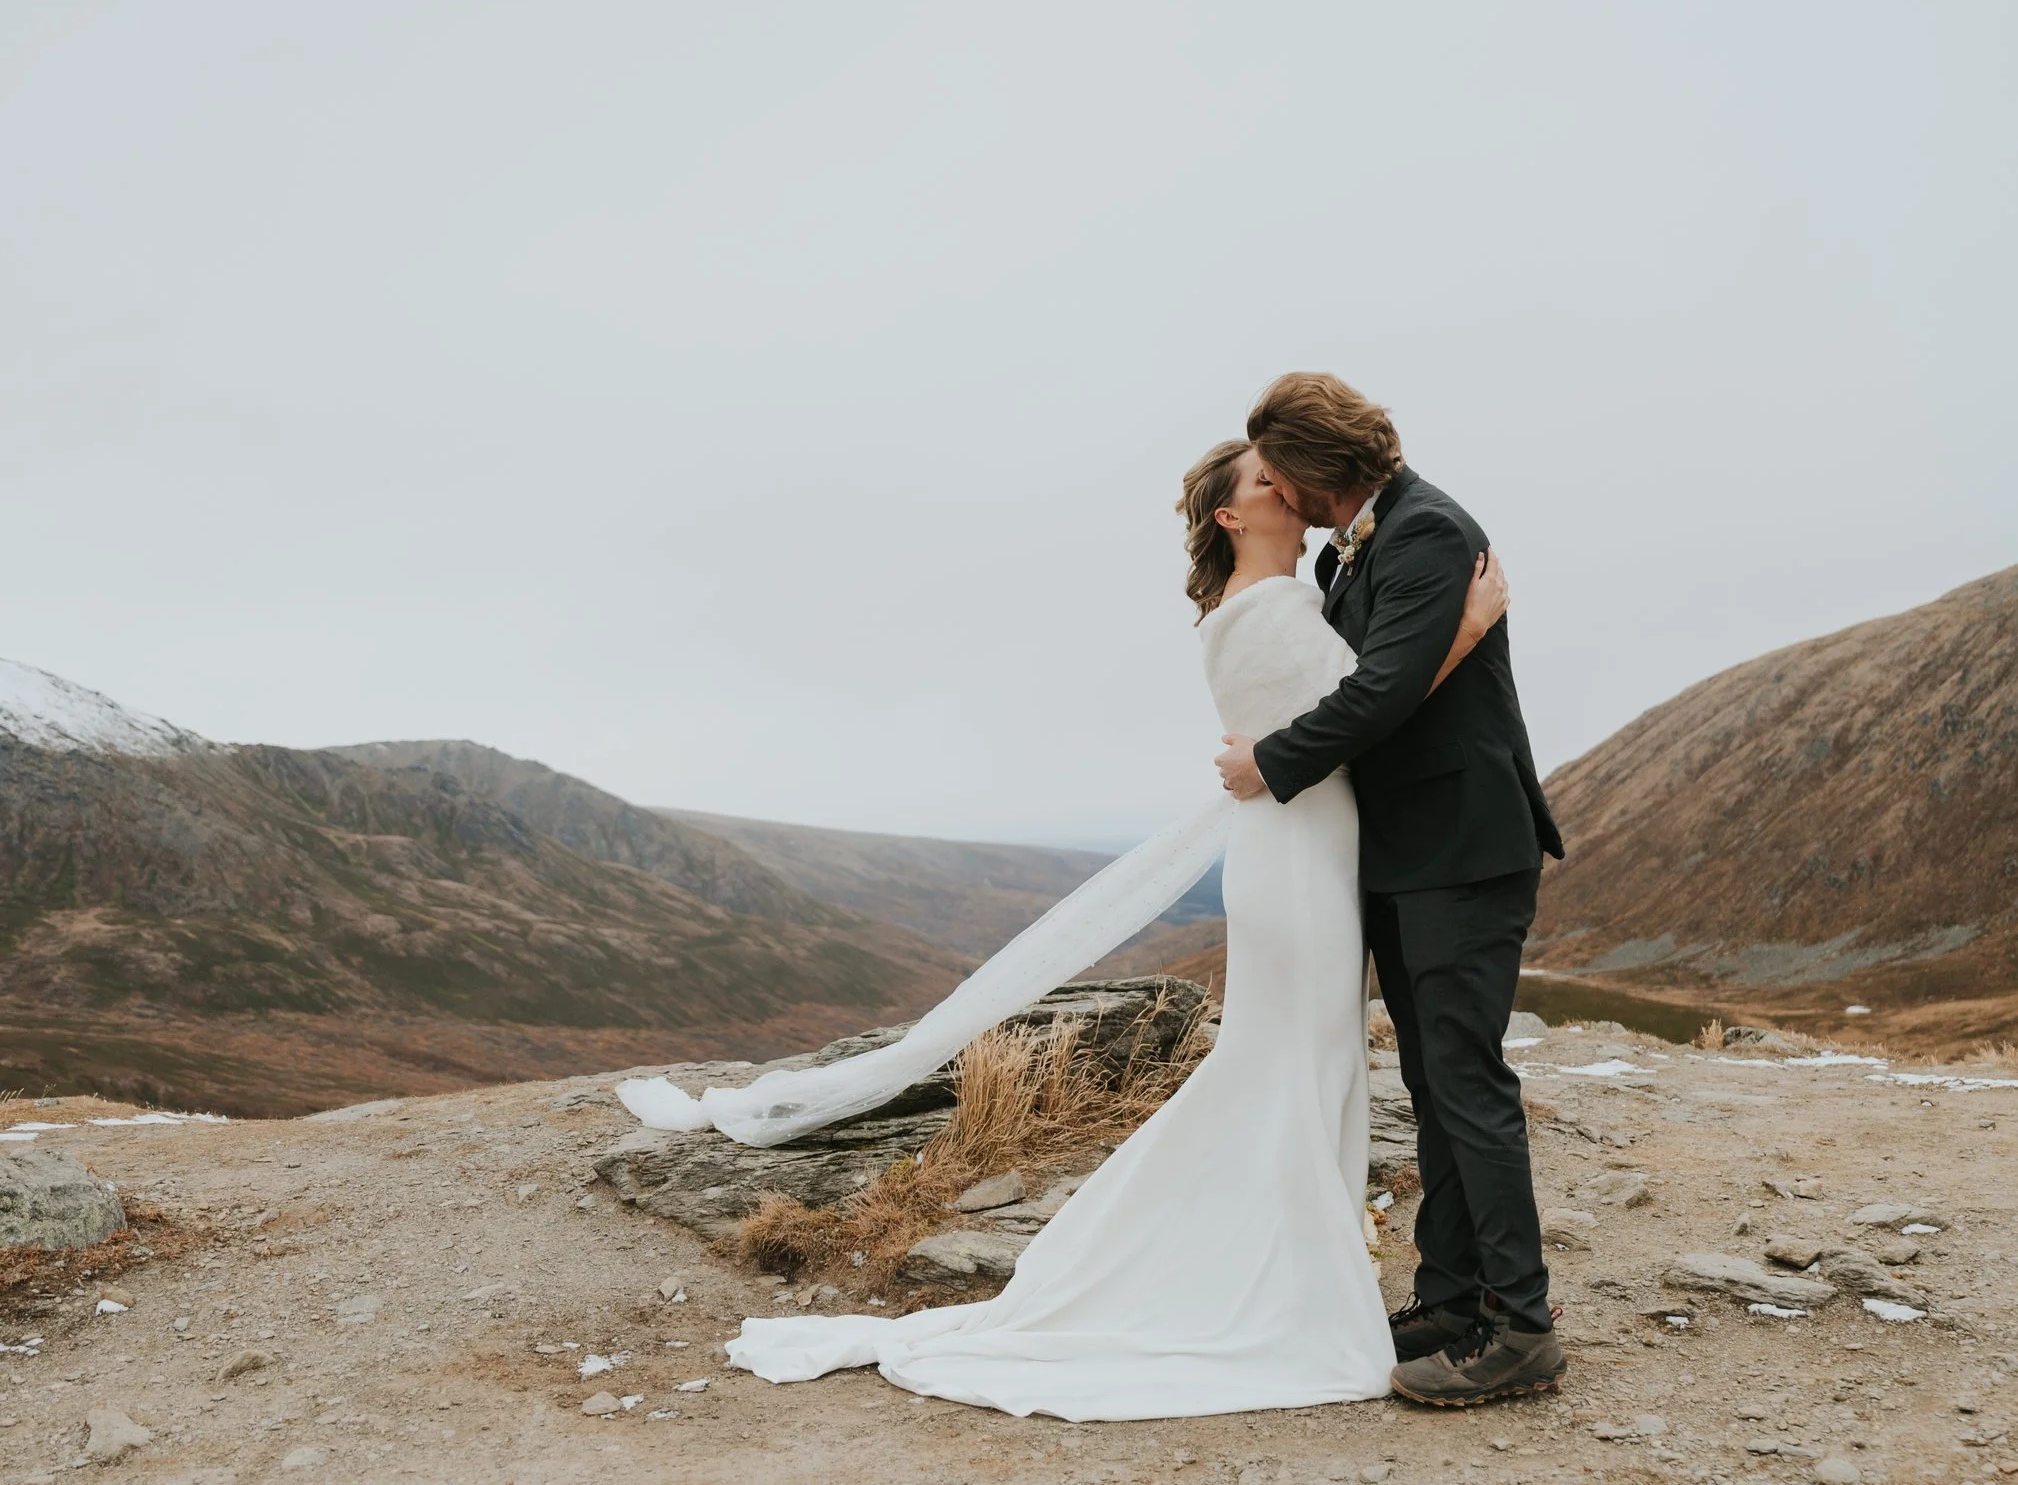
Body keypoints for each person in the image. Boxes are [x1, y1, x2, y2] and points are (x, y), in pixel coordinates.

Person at [628, 429, 1510, 1419]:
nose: (1291, 486)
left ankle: (1285, 1277)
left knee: (1292, 1071)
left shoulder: (1284, 599)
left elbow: (1354, 703)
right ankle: (1268, 1291)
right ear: (1231, 514)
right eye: (1268, 480)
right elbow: (1374, 706)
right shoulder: (1263, 610)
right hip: (1300, 870)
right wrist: (1467, 632)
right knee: (1293, 1071)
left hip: (1306, 856)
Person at [1214, 371, 1567, 1407]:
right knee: (1432, 1082)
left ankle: (1521, 1323)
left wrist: (1268, 764)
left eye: (1282, 474)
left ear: (1321, 471)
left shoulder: (1428, 533)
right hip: (1408, 855)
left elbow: (1380, 690)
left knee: (1465, 1079)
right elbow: (1375, 675)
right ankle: (1452, 1295)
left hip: (1462, 847)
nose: (1276, 490)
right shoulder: (1353, 545)